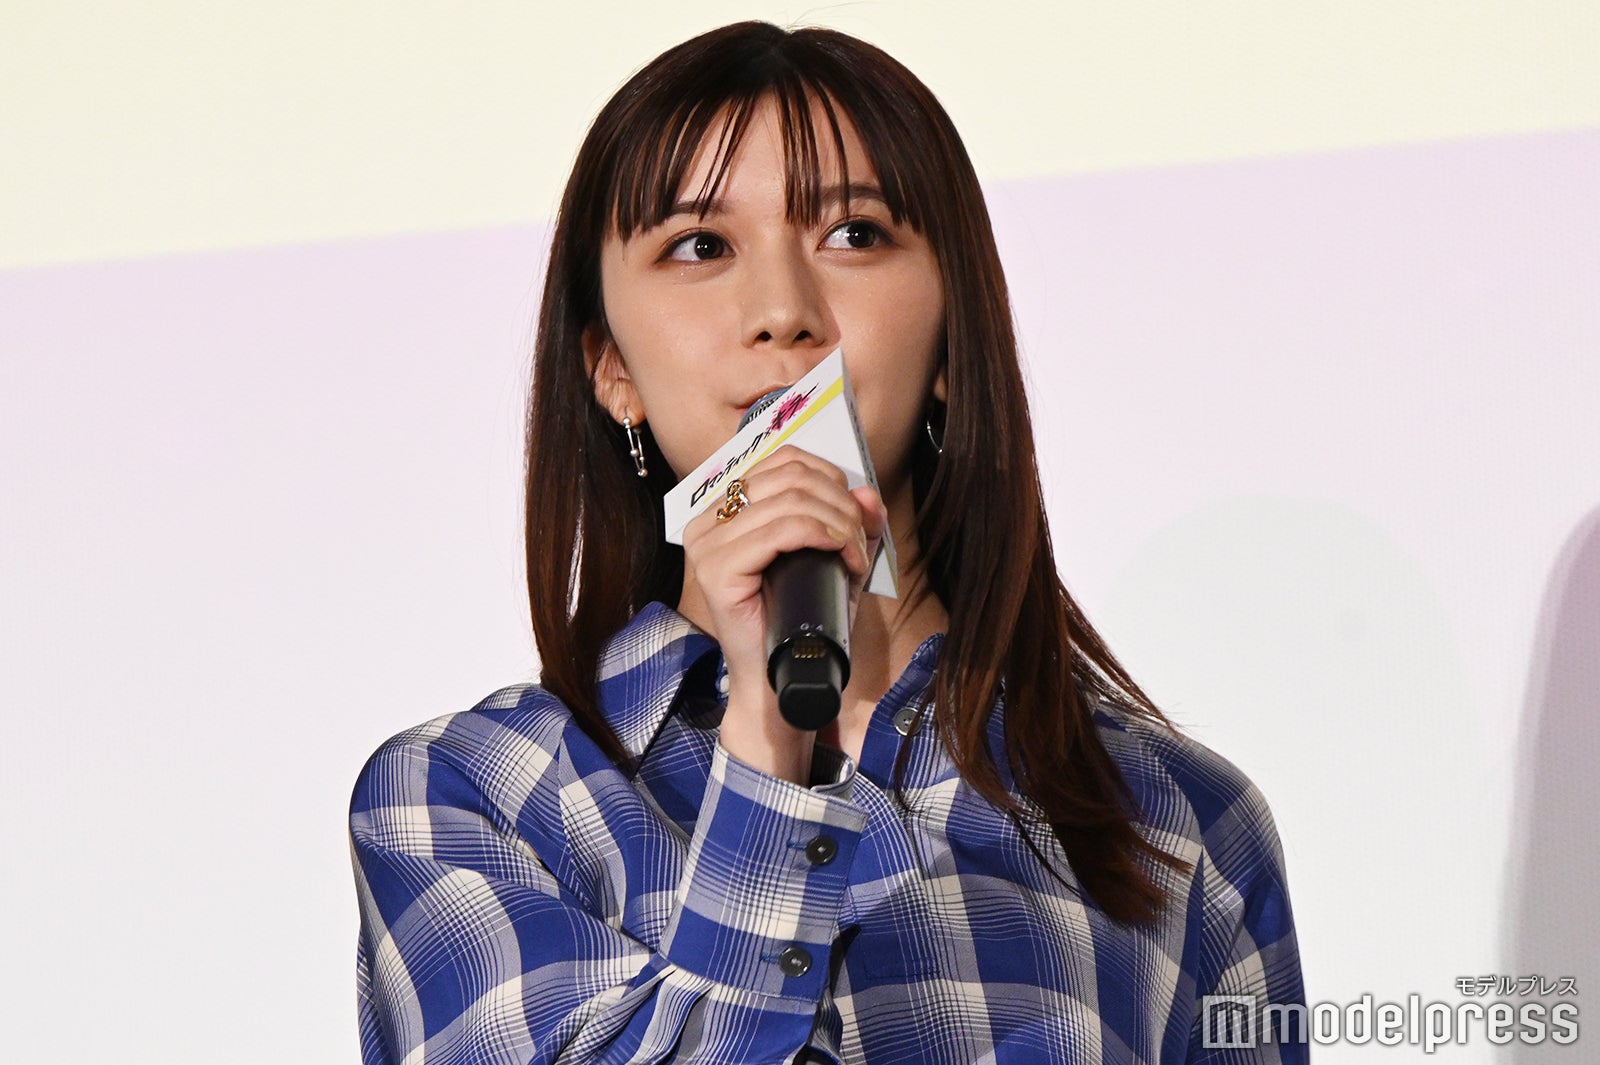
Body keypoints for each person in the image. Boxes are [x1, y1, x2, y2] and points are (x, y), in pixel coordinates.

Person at [350, 21, 1305, 1065]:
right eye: (699, 246)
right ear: (610, 369)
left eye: (852, 234)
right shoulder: (477, 797)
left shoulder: (1173, 822)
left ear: (953, 340)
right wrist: (768, 740)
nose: (782, 313)